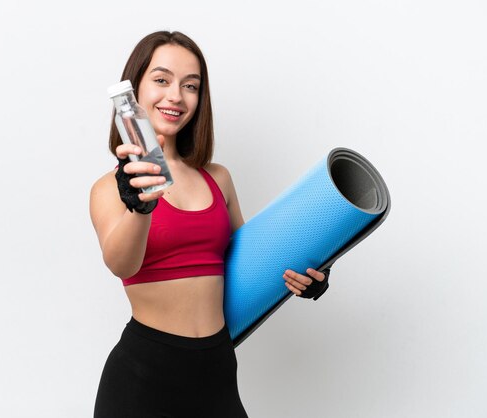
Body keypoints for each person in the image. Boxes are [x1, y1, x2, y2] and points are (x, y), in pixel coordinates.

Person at [90, 30, 329, 418]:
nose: (176, 96)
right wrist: (140, 208)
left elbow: (250, 263)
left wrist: (312, 267)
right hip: (143, 379)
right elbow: (121, 264)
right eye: (162, 80)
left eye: (191, 85)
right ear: (134, 91)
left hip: (217, 371)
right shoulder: (108, 189)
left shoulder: (218, 178)